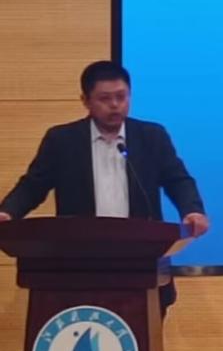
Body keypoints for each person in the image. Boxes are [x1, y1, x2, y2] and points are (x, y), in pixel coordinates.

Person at [0, 60, 210, 311]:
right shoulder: (62, 140)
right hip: (80, 266)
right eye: (105, 98)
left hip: (142, 264)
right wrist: (8, 212)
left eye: (121, 97)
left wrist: (192, 210)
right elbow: (33, 185)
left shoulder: (151, 136)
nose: (115, 105)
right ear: (85, 101)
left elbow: (178, 180)